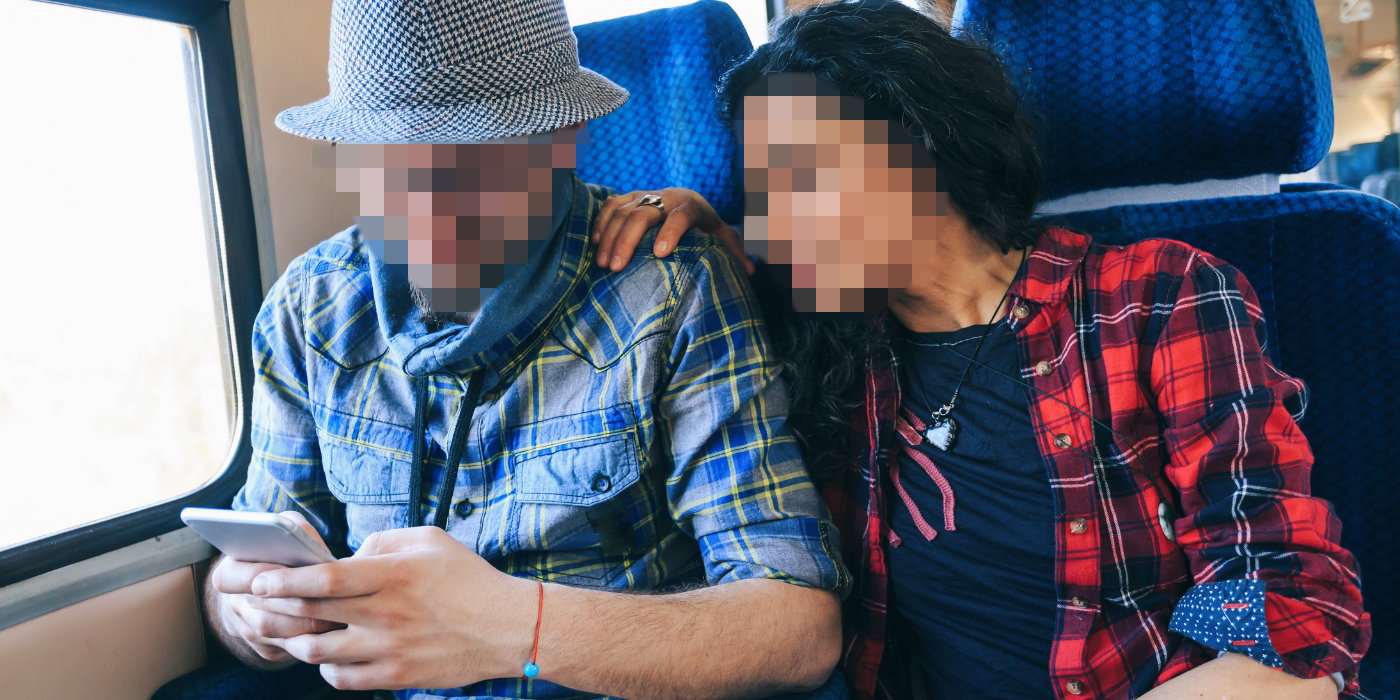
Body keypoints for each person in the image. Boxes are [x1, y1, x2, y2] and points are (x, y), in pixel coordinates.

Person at [596, 1, 1371, 699]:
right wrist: (692, 217)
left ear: (922, 143)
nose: (775, 223)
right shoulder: (825, 342)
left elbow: (1285, 606)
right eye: (762, 189)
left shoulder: (1157, 296)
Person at [202, 0, 851, 698]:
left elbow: (799, 629)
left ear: (561, 138)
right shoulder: (309, 307)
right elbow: (251, 558)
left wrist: (511, 627)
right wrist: (244, 610)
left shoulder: (671, 291)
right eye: (379, 162)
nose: (416, 209)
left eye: (461, 161)